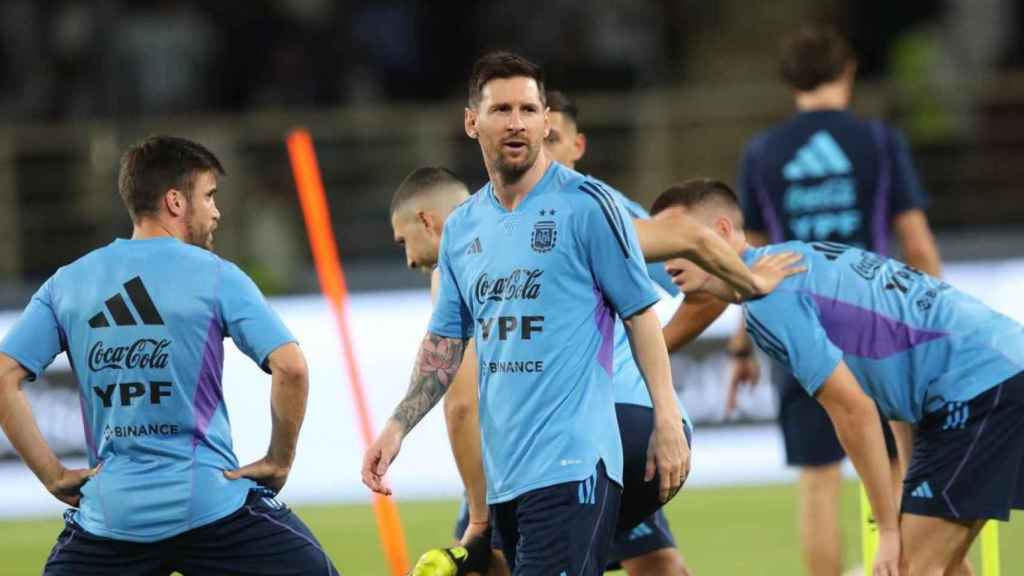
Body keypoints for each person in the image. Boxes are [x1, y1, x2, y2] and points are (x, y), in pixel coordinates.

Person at [370, 52, 803, 576]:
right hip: (510, 474)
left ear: (546, 121)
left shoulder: (588, 207)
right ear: (471, 122)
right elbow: (444, 347)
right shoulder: (463, 230)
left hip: (576, 462)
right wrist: (396, 426)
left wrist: (666, 413)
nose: (516, 122)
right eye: (501, 109)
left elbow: (642, 311)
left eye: (528, 109)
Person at [660, 25, 943, 576]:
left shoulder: (764, 152)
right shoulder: (880, 143)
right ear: (849, 71)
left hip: (795, 324)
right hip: (879, 326)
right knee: (899, 466)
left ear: (789, 81)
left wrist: (743, 348)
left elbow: (747, 261)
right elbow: (917, 242)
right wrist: (933, 324)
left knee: (819, 479)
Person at [0, 136, 339, 575]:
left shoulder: (68, 282)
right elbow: (291, 367)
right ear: (176, 202)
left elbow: (4, 375)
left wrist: (53, 475)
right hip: (211, 507)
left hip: (112, 517)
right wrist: (279, 459)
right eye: (210, 196)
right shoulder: (218, 276)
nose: (216, 211)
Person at [652, 178, 1024, 576]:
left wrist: (887, 530)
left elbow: (855, 411)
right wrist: (906, 493)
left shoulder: (772, 301)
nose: (667, 259)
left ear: (721, 232)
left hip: (982, 388)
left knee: (909, 566)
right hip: (994, 371)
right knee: (941, 565)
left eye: (678, 240)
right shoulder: (791, 258)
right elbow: (892, 383)